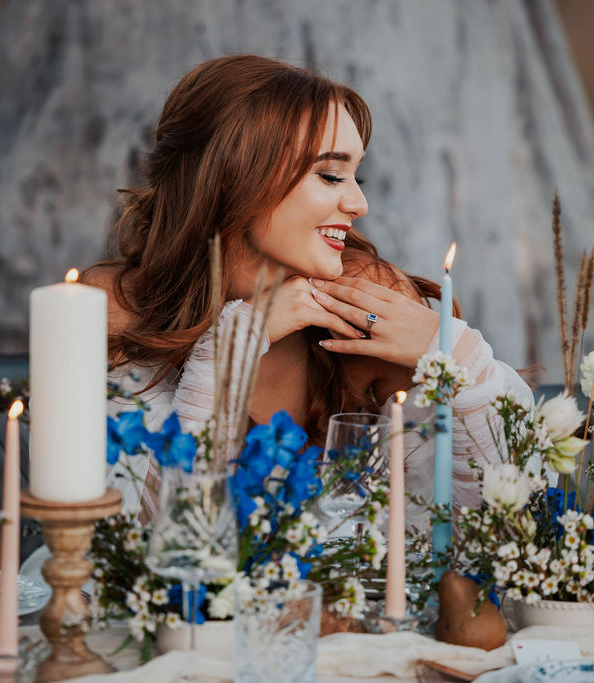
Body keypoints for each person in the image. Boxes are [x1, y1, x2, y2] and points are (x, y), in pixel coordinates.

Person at [84, 54, 532, 523]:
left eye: (357, 176)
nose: (359, 202)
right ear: (236, 178)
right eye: (330, 175)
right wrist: (231, 348)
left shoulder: (368, 304)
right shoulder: (113, 310)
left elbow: (485, 530)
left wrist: (460, 357)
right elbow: (160, 549)